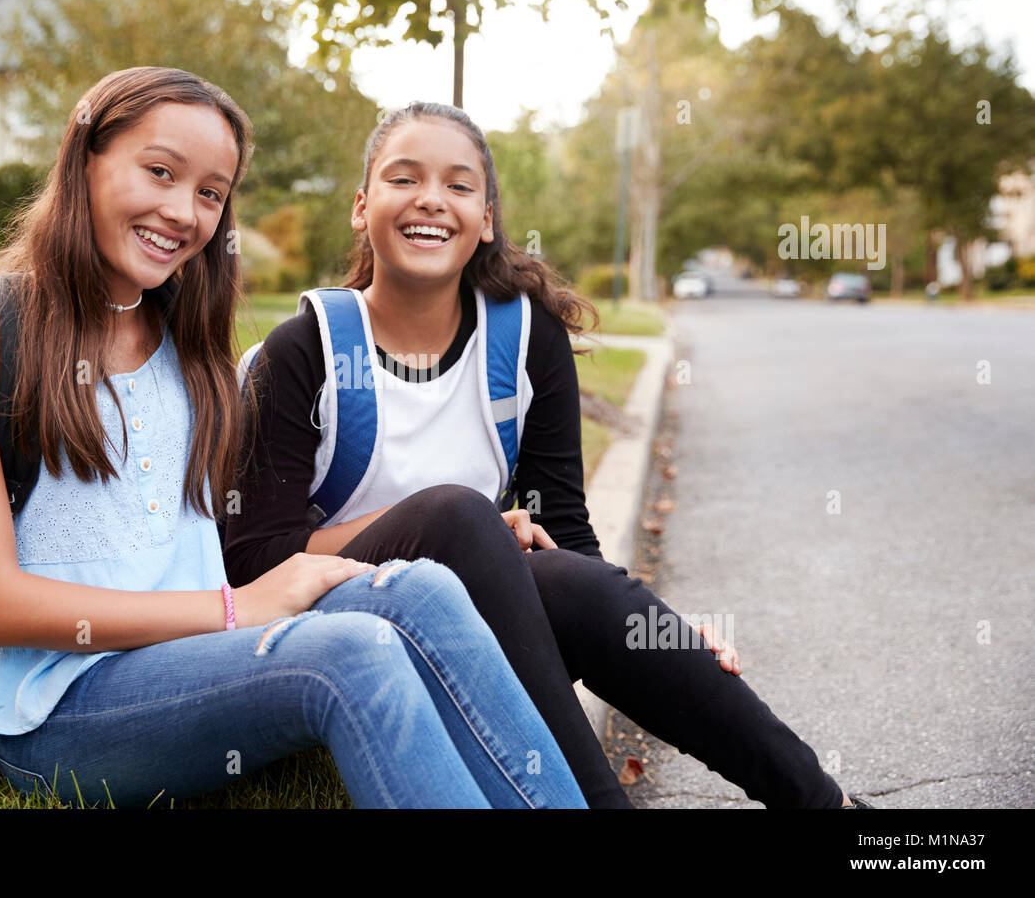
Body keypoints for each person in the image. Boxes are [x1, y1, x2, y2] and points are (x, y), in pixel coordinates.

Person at [0, 69, 587, 809]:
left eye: (210, 192)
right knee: (352, 653)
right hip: (54, 711)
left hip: (204, 659)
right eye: (161, 172)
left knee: (421, 585)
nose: (182, 211)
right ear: (86, 160)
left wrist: (249, 609)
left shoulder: (189, 340)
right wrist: (237, 610)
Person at [224, 101, 870, 809]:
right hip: (333, 640)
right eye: (403, 179)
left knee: (576, 585)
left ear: (488, 218)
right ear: (361, 205)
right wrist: (433, 535)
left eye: (459, 185)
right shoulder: (304, 350)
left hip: (477, 630)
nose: (431, 200)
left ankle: (829, 806)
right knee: (459, 519)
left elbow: (562, 527)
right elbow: (256, 560)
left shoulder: (524, 338)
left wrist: (654, 634)